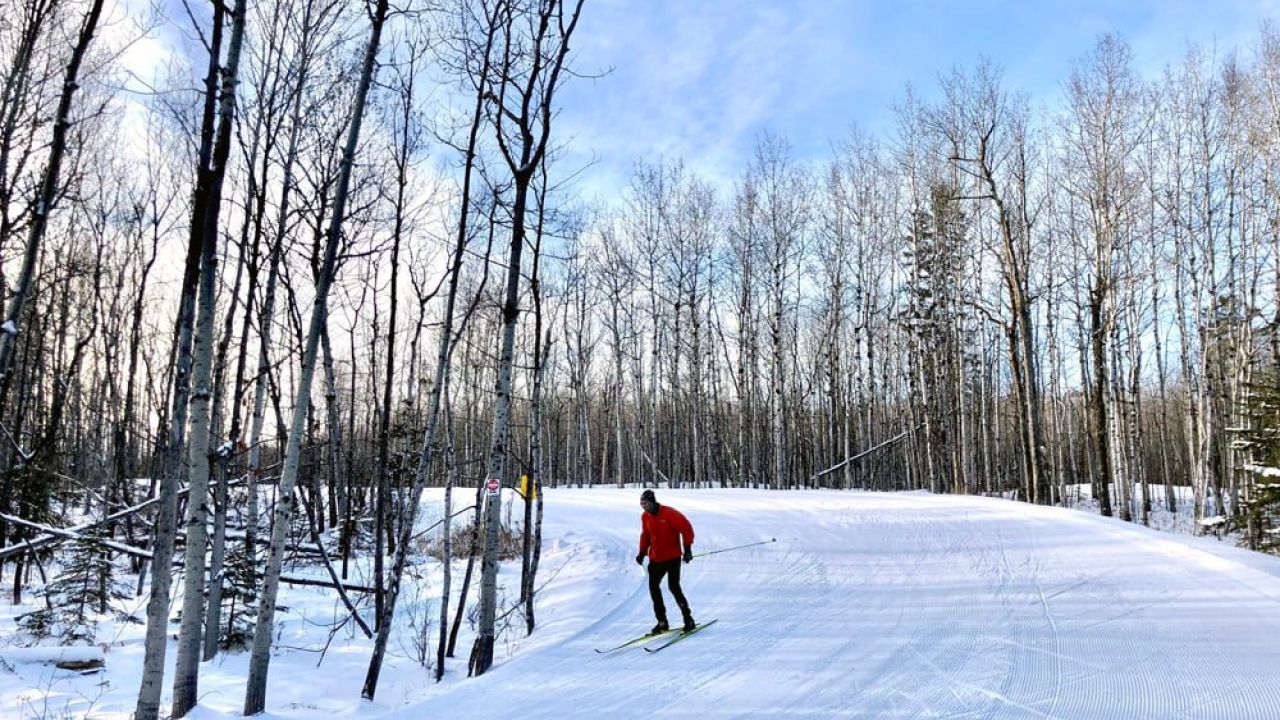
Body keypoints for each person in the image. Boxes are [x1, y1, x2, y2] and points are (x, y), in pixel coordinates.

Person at [635, 489, 696, 634]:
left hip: (672, 557)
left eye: (646, 504)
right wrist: (642, 552)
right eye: (641, 504)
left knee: (674, 587)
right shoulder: (645, 516)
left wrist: (687, 549)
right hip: (656, 559)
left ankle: (688, 619)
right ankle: (662, 622)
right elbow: (645, 535)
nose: (644, 507)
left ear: (653, 502)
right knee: (654, 588)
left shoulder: (669, 513)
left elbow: (686, 529)